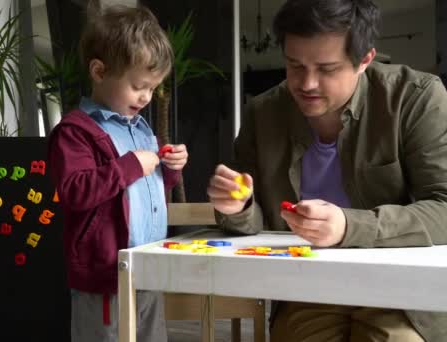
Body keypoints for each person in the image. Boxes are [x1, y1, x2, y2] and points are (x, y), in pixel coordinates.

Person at [207, 0, 447, 341]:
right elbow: (252, 221)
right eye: (294, 65)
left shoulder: (415, 99)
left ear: (365, 60)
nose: (307, 83)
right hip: (307, 286)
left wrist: (350, 226)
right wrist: (238, 207)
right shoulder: (263, 114)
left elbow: (443, 207)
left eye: (327, 68)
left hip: (401, 290)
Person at [48, 5, 188, 342]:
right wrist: (129, 166)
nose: (146, 96)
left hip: (148, 268)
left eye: (152, 88)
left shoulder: (140, 128)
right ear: (99, 71)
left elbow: (145, 191)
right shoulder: (74, 132)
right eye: (139, 85)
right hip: (105, 279)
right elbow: (74, 190)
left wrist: (169, 171)